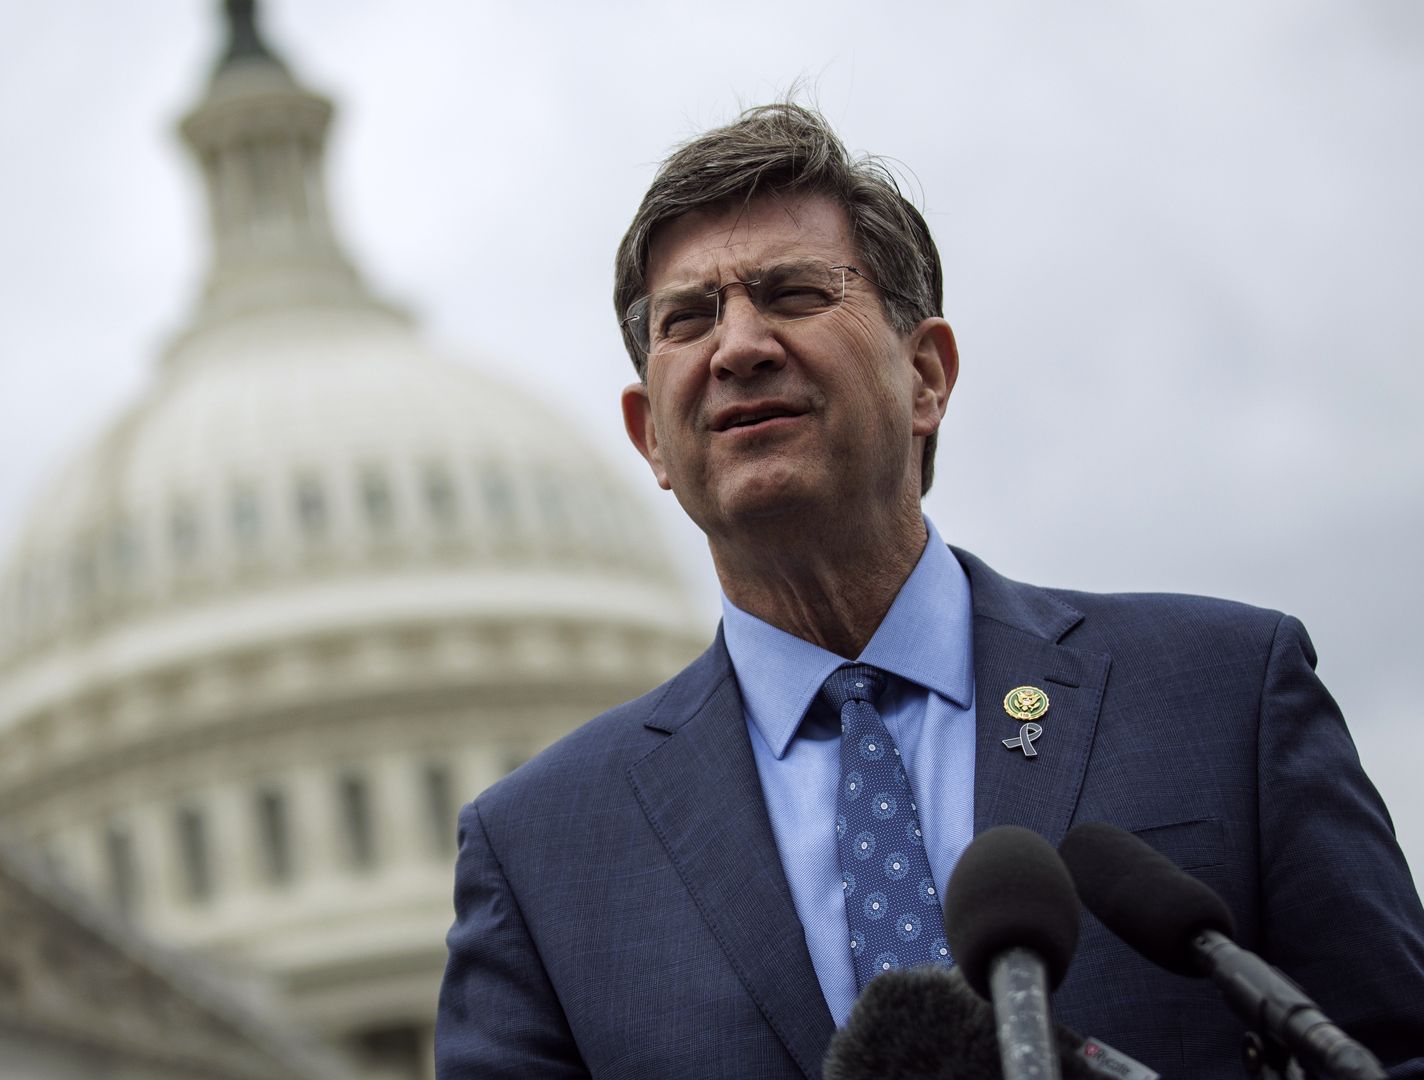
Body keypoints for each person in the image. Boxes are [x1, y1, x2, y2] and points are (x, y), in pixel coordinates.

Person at [433, 102, 1424, 1079]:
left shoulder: (1221, 695)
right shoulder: (542, 855)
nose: (736, 347)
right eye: (689, 319)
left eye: (792, 293)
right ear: (650, 434)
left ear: (928, 376)